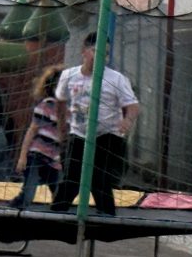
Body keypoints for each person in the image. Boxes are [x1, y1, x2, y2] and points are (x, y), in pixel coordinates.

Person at [51, 32, 139, 216]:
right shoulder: (69, 75)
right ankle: (56, 213)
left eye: (105, 54)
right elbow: (60, 100)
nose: (101, 58)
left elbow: (132, 105)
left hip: (106, 135)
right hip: (79, 133)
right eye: (96, 52)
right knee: (72, 177)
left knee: (100, 178)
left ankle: (106, 215)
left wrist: (127, 120)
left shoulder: (116, 79)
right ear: (84, 52)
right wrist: (62, 127)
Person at [9, 66, 63, 209]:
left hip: (54, 160)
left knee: (60, 197)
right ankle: (15, 208)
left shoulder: (69, 109)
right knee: (28, 193)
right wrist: (23, 157)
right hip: (37, 156)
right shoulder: (47, 105)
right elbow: (32, 131)